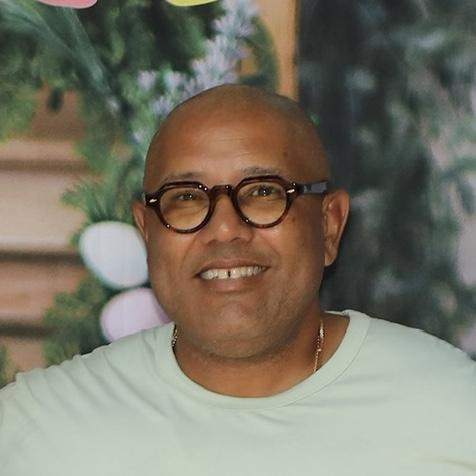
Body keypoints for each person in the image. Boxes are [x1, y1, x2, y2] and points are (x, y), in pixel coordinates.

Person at [1, 85, 475, 475]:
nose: (225, 229)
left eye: (264, 191)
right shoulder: (36, 427)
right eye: (186, 197)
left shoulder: (451, 410)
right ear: (147, 234)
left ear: (329, 225)